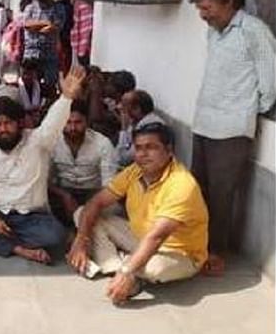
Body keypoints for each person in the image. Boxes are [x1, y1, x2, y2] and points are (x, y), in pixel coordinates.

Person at [186, 0, 276, 273]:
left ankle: (214, 253)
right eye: (200, 9)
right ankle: (194, 246)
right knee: (197, 190)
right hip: (204, 122)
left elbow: (270, 81)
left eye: (207, 8)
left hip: (231, 129)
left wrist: (249, 111)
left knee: (221, 196)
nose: (203, 15)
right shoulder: (214, 32)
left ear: (227, 2)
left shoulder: (254, 31)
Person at [0, 67, 86, 264]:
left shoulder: (37, 141)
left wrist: (66, 98)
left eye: (8, 123)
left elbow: (52, 124)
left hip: (32, 218)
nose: (3, 129)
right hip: (0, 215)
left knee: (55, 235)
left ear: (19, 123)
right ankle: (21, 250)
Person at [67, 123, 209, 305]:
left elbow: (157, 237)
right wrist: (80, 241)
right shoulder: (134, 171)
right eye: (139, 148)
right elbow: (97, 202)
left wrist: (127, 270)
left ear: (169, 150)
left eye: (151, 147)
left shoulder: (182, 184)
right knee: (82, 213)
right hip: (139, 236)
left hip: (178, 252)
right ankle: (120, 269)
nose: (143, 154)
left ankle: (124, 268)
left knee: (155, 269)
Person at [49, 100, 118, 226]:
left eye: (78, 122)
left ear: (87, 122)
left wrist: (93, 204)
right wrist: (65, 196)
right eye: (68, 122)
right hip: (62, 192)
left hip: (93, 192)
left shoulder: (103, 144)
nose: (72, 128)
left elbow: (109, 185)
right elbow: (45, 180)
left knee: (113, 210)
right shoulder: (52, 142)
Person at [22, 0, 65, 99]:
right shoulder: (30, 8)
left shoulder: (58, 8)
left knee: (49, 88)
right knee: (29, 87)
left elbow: (56, 27)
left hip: (50, 55)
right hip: (31, 53)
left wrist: (37, 26)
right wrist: (46, 23)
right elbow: (27, 25)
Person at [115, 90, 164, 168]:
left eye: (124, 105)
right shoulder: (136, 122)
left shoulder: (150, 130)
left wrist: (124, 129)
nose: (119, 106)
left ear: (137, 109)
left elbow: (123, 159)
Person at [68, 0, 94, 67]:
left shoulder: (83, 6)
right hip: (81, 45)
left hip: (83, 46)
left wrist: (81, 49)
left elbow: (85, 30)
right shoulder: (77, 5)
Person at [52, 0, 73, 72]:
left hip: (60, 36)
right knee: (66, 59)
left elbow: (58, 23)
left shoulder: (57, 6)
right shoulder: (69, 4)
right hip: (68, 35)